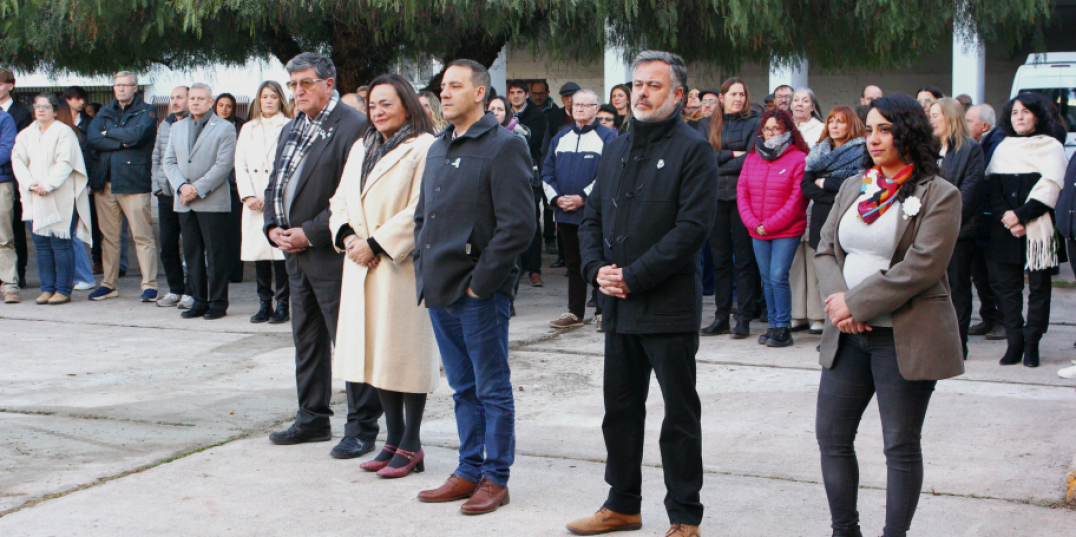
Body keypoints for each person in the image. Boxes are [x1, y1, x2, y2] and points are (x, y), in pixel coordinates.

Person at [566, 50, 715, 537]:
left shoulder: (694, 151)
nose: (642, 93)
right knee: (620, 411)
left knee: (679, 415)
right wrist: (596, 272)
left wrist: (633, 275)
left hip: (667, 307)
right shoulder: (616, 146)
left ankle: (684, 516)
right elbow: (592, 219)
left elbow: (691, 230)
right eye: (637, 85)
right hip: (617, 305)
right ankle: (622, 504)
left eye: (654, 85)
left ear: (678, 95)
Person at [814, 93, 963, 537]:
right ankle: (845, 530)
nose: (874, 138)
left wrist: (858, 303)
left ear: (908, 133)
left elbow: (922, 265)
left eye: (885, 129)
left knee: (899, 445)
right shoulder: (854, 185)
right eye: (870, 129)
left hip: (904, 335)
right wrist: (842, 304)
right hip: (847, 336)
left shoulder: (939, 193)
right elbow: (824, 246)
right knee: (832, 438)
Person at [413, 59, 535, 515]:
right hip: (440, 286)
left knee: (491, 388)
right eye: (443, 87)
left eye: (456, 86)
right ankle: (468, 470)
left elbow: (518, 226)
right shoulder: (439, 146)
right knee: (462, 388)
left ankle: (495, 478)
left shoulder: (504, 146)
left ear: (480, 92)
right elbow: (424, 214)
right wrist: (424, 270)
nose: (445, 94)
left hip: (477, 294)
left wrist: (481, 286)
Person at [263, 53, 383, 459]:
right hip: (293, 254)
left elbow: (352, 197)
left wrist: (310, 233)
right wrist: (271, 225)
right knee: (307, 340)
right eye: (292, 84)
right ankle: (312, 418)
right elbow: (275, 182)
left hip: (332, 253)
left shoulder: (353, 127)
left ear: (328, 84)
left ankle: (362, 426)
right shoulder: (293, 125)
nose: (297, 91)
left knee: (347, 342)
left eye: (305, 83)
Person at [328, 73, 439, 479]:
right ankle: (392, 440)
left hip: (398, 265)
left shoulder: (424, 146)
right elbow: (340, 198)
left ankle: (412, 443)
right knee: (378, 358)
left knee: (404, 357)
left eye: (386, 103)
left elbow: (421, 207)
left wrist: (375, 243)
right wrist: (346, 235)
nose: (377, 111)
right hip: (360, 265)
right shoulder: (362, 146)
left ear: (407, 105)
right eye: (372, 104)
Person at [986, 93, 1068, 368]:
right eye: (1014, 113)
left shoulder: (1052, 147)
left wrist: (1021, 216)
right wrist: (1008, 218)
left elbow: (1052, 187)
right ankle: (1014, 343)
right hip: (1005, 228)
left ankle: (1032, 344)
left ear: (1037, 115)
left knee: (1039, 289)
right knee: (1007, 290)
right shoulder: (1003, 148)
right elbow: (993, 188)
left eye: (1025, 112)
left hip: (1039, 229)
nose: (1019, 117)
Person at [541, 89, 617, 329]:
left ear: (597, 108)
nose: (581, 109)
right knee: (573, 264)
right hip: (565, 213)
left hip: (594, 214)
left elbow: (609, 173)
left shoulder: (608, 137)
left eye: (587, 105)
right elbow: (546, 172)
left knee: (599, 262)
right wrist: (557, 199)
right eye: (577, 105)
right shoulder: (560, 137)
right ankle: (575, 313)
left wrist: (583, 197)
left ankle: (603, 312)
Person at [162, 83, 236, 320]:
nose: (195, 102)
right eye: (192, 98)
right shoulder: (177, 127)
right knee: (192, 253)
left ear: (210, 101)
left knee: (215, 255)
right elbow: (169, 162)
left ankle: (217, 302)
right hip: (184, 201)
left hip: (212, 199)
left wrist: (197, 188)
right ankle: (199, 300)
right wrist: (182, 187)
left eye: (200, 99)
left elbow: (223, 165)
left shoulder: (225, 128)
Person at [11, 93, 92, 305]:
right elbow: (17, 159)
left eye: (46, 106)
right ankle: (47, 288)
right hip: (34, 196)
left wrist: (47, 185)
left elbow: (65, 162)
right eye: (37, 106)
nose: (40, 110)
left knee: (61, 243)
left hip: (59, 195)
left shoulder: (64, 132)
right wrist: (30, 183)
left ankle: (63, 289)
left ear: (55, 110)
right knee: (41, 244)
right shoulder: (26, 134)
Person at [737, 108, 809, 347]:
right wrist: (754, 224)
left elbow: (797, 199)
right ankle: (773, 326)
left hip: (785, 230)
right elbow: (742, 192)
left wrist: (769, 225)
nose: (770, 133)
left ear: (787, 130)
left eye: (776, 128)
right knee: (767, 279)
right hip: (757, 230)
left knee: (778, 276)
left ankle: (783, 328)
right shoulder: (752, 157)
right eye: (767, 128)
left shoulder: (798, 158)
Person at [86, 70, 159, 302]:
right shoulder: (105, 111)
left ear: (135, 87)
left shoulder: (147, 110)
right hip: (105, 183)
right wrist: (120, 143)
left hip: (133, 182)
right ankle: (109, 283)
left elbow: (138, 136)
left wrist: (109, 134)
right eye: (117, 85)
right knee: (109, 238)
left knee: (142, 236)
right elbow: (93, 138)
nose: (121, 89)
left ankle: (149, 285)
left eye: (125, 85)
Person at [701, 77, 761, 338]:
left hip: (742, 200)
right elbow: (704, 161)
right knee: (720, 262)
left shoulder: (754, 123)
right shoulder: (706, 124)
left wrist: (721, 159)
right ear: (721, 97)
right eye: (733, 94)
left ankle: (744, 319)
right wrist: (732, 155)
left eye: (742, 94)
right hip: (714, 199)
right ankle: (721, 317)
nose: (738, 99)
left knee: (744, 261)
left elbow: (751, 159)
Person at [799, 106, 866, 335]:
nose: (835, 126)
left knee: (846, 273)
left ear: (851, 125)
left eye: (840, 121)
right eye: (831, 121)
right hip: (821, 217)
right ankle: (831, 330)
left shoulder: (862, 151)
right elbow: (806, 186)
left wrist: (824, 183)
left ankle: (850, 326)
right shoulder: (818, 152)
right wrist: (833, 191)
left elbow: (859, 186)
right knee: (826, 275)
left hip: (847, 216)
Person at [929, 97, 985, 358]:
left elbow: (969, 194)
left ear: (950, 117)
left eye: (935, 115)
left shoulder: (971, 150)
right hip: (927, 232)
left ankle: (956, 344)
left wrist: (942, 223)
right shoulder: (926, 149)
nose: (931, 119)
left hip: (958, 233)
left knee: (958, 291)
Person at [236, 81, 293, 324]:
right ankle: (263, 303)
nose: (268, 101)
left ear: (281, 99)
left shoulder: (289, 126)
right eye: (264, 97)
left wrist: (270, 197)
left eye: (273, 96)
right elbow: (241, 164)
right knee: (259, 254)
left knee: (279, 254)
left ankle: (282, 304)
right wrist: (248, 195)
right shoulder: (248, 128)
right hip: (253, 201)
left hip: (277, 198)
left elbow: (289, 165)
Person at [963, 103, 1005, 340]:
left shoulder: (996, 145)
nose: (966, 125)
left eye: (970, 121)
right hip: (978, 221)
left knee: (995, 275)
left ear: (985, 126)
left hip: (991, 221)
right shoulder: (978, 144)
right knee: (979, 275)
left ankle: (1002, 320)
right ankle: (988, 318)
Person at [151, 86, 190, 308]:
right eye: (172, 98)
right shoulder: (164, 125)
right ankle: (175, 289)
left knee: (191, 246)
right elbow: (156, 156)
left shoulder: (194, 124)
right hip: (165, 194)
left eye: (179, 97)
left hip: (186, 195)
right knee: (167, 245)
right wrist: (156, 186)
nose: (175, 101)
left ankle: (192, 292)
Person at [0, 68, 32, 296]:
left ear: (11, 85)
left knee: (11, 231)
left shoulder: (16, 115)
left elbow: (10, 150)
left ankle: (14, 278)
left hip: (10, 178)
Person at [213, 93, 246, 284]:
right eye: (220, 105)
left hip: (234, 186)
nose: (224, 109)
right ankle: (218, 270)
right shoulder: (208, 126)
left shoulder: (241, 126)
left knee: (234, 231)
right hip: (214, 185)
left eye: (228, 106)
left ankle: (235, 272)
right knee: (218, 232)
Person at [0, 108, 17, 303]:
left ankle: (9, 285)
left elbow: (6, 151)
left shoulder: (4, 118)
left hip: (1, 183)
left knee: (3, 238)